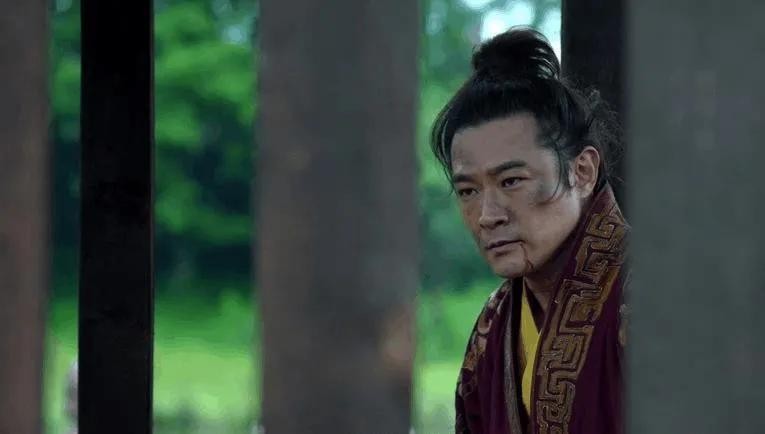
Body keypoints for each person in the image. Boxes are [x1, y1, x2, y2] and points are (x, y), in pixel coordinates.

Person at [430, 27, 629, 434]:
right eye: (468, 191)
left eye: (511, 181)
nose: (487, 216)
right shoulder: (493, 329)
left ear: (582, 171)